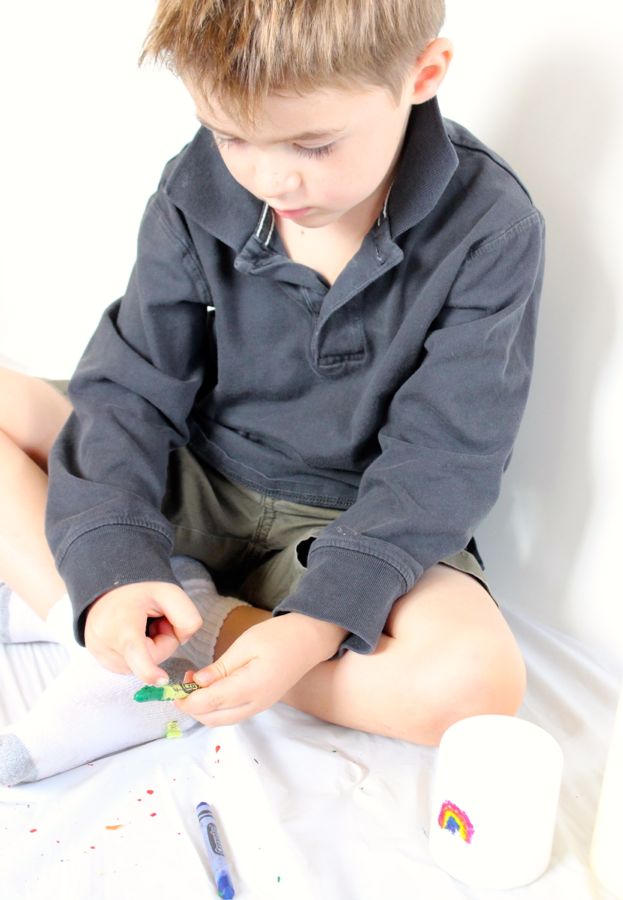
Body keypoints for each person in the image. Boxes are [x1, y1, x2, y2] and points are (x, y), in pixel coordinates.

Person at [0, 0, 543, 786]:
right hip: (198, 467)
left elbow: (444, 458)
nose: (269, 177)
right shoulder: (198, 186)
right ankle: (114, 622)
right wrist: (115, 561)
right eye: (231, 136)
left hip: (350, 517)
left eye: (314, 144)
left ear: (422, 75)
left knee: (475, 684)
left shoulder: (493, 225)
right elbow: (129, 389)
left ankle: (177, 636)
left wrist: (313, 628)